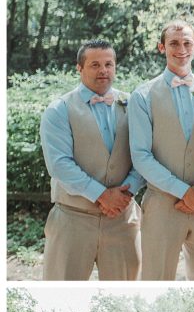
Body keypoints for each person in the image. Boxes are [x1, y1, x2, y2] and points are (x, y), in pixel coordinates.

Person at [40, 39, 143, 280]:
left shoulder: (134, 105)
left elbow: (144, 154)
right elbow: (59, 164)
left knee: (125, 292)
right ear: (79, 68)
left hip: (122, 219)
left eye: (109, 64)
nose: (103, 70)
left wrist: (127, 193)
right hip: (73, 219)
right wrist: (102, 195)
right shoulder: (59, 110)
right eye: (95, 64)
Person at [128, 20, 194, 280]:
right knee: (156, 279)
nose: (181, 49)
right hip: (161, 206)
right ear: (162, 47)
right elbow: (141, 155)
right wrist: (183, 192)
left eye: (186, 43)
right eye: (173, 43)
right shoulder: (143, 95)